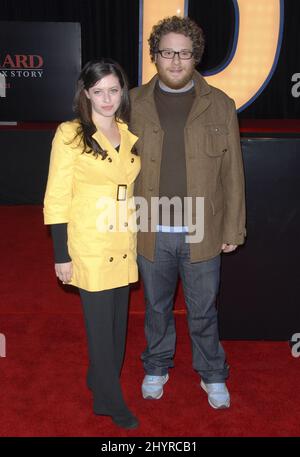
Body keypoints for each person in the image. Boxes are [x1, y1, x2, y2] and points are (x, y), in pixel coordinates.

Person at [130, 16, 246, 409]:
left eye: (184, 52)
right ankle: (157, 364)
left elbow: (232, 173)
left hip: (203, 227)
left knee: (203, 311)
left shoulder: (221, 104)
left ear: (196, 56)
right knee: (157, 308)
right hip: (150, 226)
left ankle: (213, 374)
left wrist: (233, 227)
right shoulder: (133, 103)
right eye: (167, 52)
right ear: (155, 56)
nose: (176, 61)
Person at [43, 59, 141, 429]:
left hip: (123, 240)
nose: (106, 98)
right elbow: (56, 197)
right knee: (101, 331)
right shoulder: (69, 133)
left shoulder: (126, 132)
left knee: (118, 328)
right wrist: (61, 255)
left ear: (122, 91)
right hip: (89, 243)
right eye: (98, 91)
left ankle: (99, 379)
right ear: (85, 93)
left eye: (113, 90)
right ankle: (110, 401)